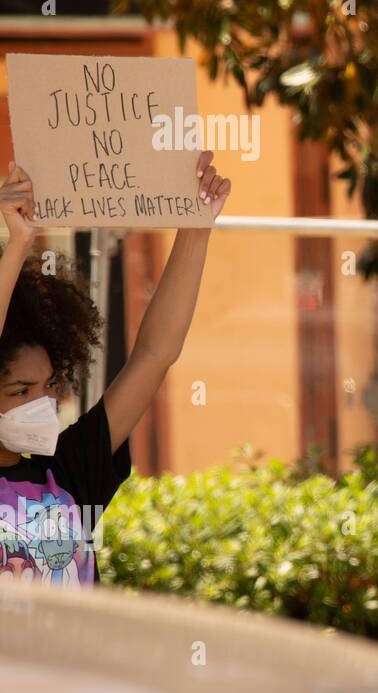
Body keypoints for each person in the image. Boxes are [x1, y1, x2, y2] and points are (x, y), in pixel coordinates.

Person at [0, 154, 231, 586]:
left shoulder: (66, 473)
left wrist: (196, 228)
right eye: (20, 390)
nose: (42, 403)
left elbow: (154, 354)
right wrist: (18, 244)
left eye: (49, 386)